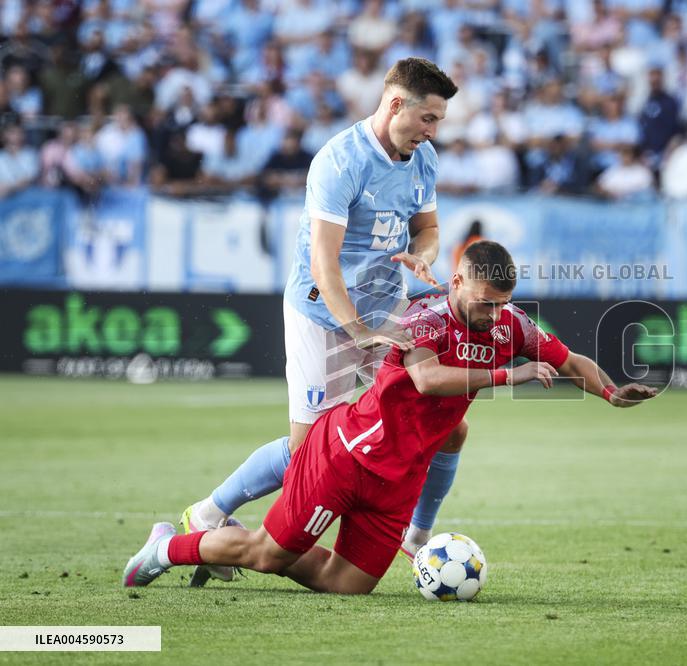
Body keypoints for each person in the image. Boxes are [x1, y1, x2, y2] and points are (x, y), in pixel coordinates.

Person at [124, 241, 659, 593]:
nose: (493, 313)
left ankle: (243, 540)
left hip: (397, 480)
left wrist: (609, 392)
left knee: (349, 585)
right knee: (266, 555)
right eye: (483, 302)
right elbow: (427, 380)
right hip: (350, 454)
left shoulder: (510, 326)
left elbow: (569, 359)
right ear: (455, 284)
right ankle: (166, 547)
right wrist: (508, 377)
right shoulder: (423, 318)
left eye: (501, 304)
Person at [178, 58, 461, 585]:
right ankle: (208, 515)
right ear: (396, 104)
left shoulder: (423, 160)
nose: (433, 131)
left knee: (447, 425)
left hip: (385, 311)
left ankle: (417, 538)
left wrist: (423, 254)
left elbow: (428, 229)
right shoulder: (340, 161)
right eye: (428, 119)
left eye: (439, 121)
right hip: (323, 315)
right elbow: (323, 264)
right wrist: (356, 331)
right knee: (309, 455)